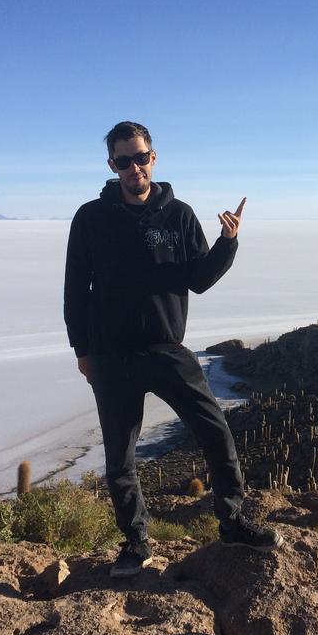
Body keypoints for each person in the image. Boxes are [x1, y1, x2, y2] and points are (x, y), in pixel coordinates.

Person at [64, 120, 283, 578]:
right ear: (111, 165)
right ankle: (135, 542)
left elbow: (198, 280)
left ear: (153, 158)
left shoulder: (178, 215)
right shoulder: (90, 217)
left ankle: (233, 521)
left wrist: (228, 243)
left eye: (140, 157)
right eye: (123, 161)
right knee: (119, 458)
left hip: (166, 350)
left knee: (215, 432)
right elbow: (74, 289)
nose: (133, 167)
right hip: (110, 356)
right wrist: (82, 350)